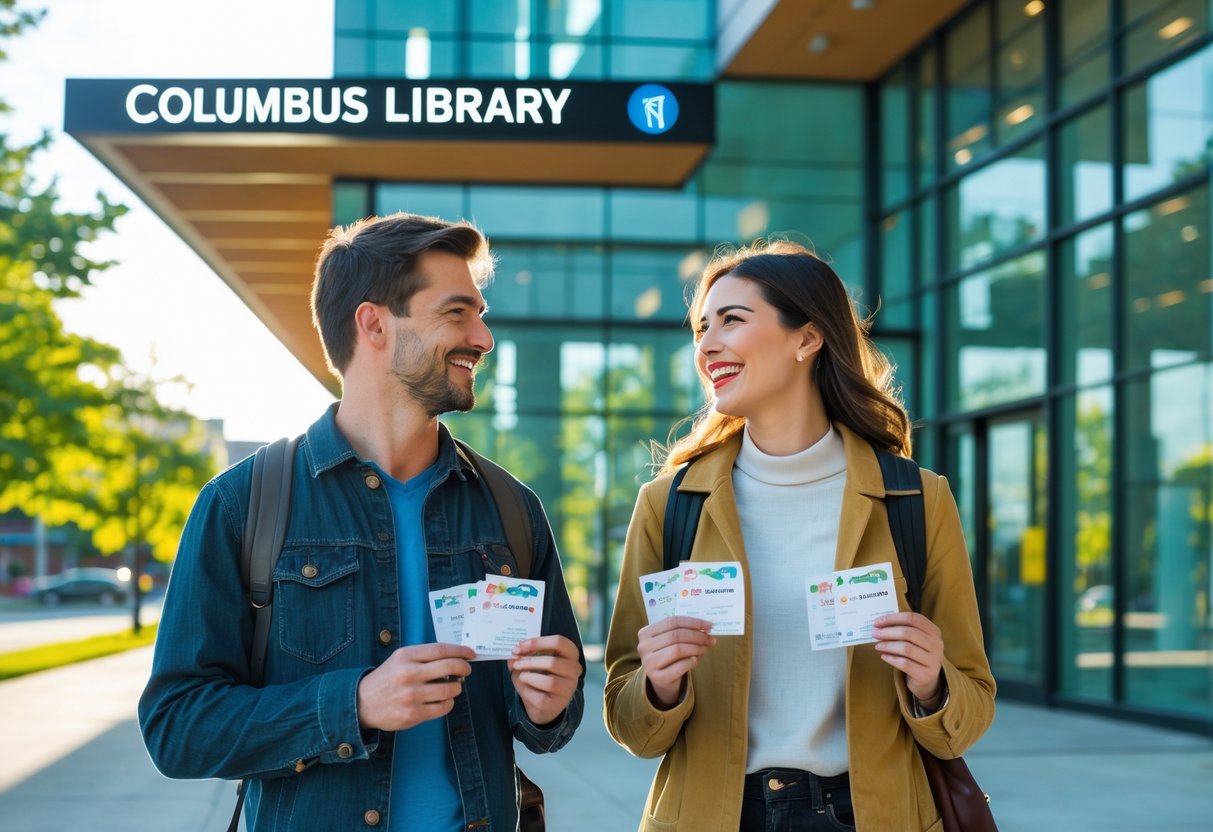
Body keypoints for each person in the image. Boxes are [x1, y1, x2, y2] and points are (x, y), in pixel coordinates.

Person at [140, 212, 585, 831]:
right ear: (374, 324)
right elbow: (178, 727)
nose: (483, 338)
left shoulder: (511, 510)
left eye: (480, 314)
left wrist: (550, 704)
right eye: (457, 313)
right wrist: (353, 704)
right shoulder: (243, 506)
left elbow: (544, 722)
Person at [603, 240, 995, 831]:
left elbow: (971, 710)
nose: (707, 345)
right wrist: (657, 687)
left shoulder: (916, 499)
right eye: (703, 327)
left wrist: (932, 682)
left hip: (872, 815)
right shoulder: (670, 505)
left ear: (807, 339)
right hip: (714, 815)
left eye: (732, 321)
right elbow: (629, 721)